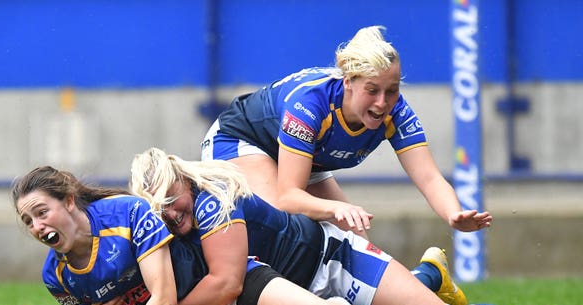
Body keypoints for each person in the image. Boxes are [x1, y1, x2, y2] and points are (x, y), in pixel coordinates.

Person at [128, 147, 583, 305]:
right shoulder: (172, 219)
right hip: (290, 290)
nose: (168, 213)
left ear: (184, 178)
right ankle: (427, 276)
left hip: (334, 265)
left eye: (172, 199)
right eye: (157, 207)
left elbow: (225, 284)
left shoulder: (213, 202)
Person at [11, 166, 417, 305]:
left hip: (213, 285)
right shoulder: (57, 276)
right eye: (27, 220)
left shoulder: (126, 213)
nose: (36, 225)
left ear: (68, 201)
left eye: (41, 212)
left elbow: (163, 297)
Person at [200, 25, 492, 241]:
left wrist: (453, 214)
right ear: (348, 82)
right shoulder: (310, 104)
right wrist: (335, 207)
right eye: (372, 90)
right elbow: (289, 197)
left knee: (357, 240)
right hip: (241, 141)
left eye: (392, 91)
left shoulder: (397, 112)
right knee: (280, 225)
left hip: (302, 157)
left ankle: (408, 294)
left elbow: (429, 177)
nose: (382, 103)